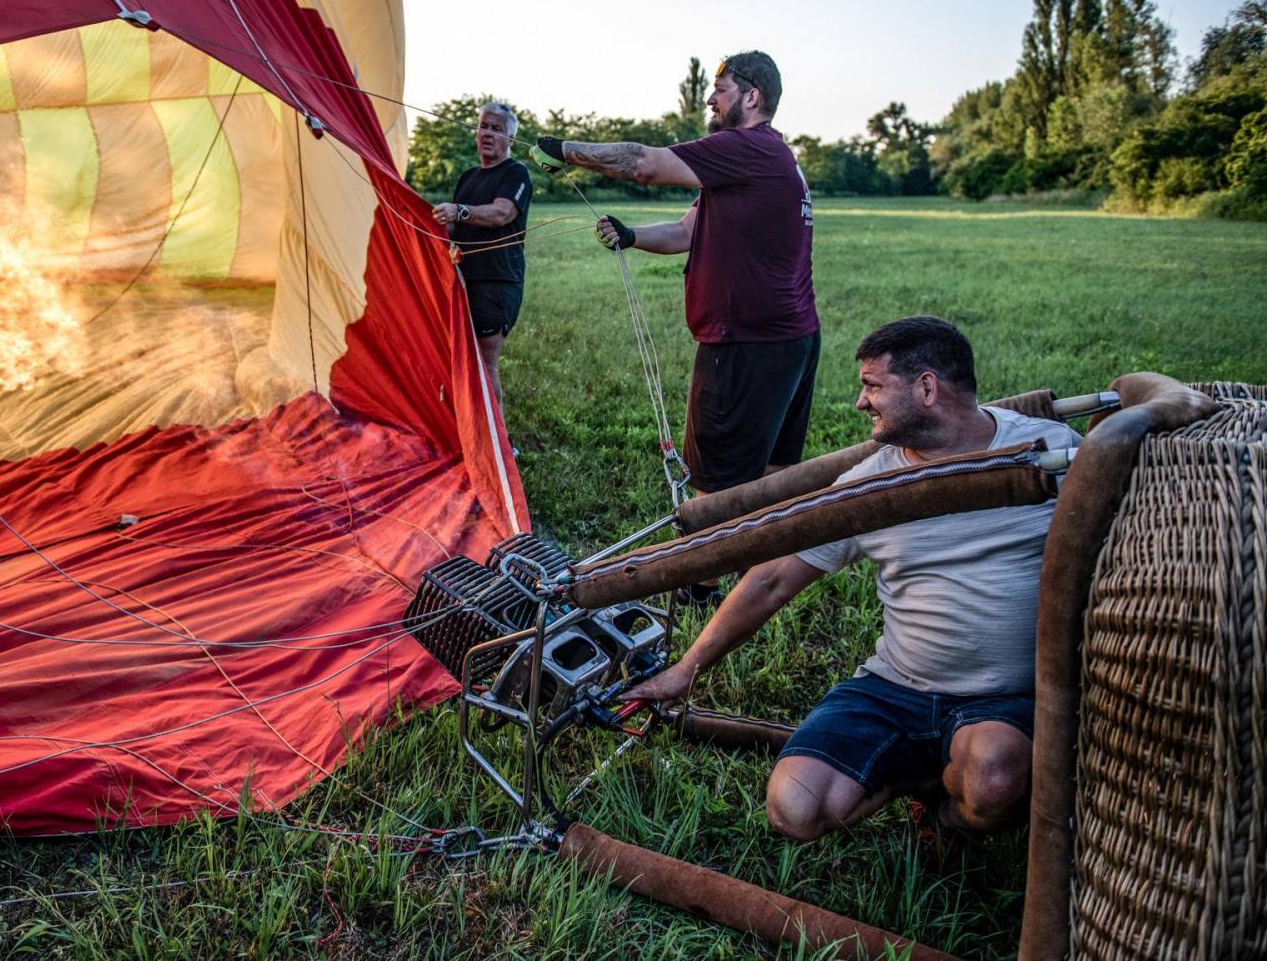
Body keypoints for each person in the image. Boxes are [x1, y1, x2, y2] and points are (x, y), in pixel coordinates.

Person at [626, 317, 1081, 844]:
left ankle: (946, 821)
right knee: (795, 807)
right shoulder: (867, 484)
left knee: (994, 781)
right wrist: (686, 670)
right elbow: (773, 578)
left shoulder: (1051, 450)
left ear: (927, 388)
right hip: (896, 688)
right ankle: (921, 774)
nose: (860, 403)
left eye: (872, 386)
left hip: (1003, 698)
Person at [530, 52, 816, 604]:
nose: (711, 99)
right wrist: (633, 234)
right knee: (776, 471)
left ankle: (703, 588)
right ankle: (765, 570)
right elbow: (688, 230)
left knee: (714, 477)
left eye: (721, 88)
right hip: (790, 336)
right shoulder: (771, 156)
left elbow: (643, 163)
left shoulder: (746, 147)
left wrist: (565, 150)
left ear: (752, 96)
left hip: (746, 341)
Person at [431, 102, 533, 408]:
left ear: (511, 139)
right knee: (460, 362)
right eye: (483, 126)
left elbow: (501, 214)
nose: (487, 133)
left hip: (497, 282)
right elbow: (454, 228)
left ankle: (498, 448)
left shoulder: (516, 173)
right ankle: (465, 435)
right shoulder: (468, 177)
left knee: (485, 366)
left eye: (496, 129)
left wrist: (458, 211)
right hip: (463, 280)